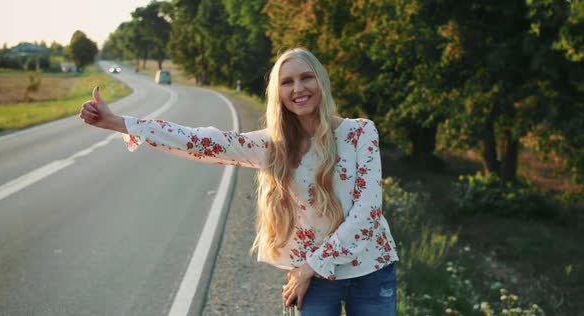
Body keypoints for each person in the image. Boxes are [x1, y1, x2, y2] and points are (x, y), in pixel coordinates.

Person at [79, 48, 399, 315]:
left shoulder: (359, 133)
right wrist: (120, 123)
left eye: (306, 77)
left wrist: (309, 266)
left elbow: (367, 214)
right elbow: (200, 142)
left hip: (370, 269)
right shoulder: (272, 145)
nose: (298, 88)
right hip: (315, 279)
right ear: (279, 94)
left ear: (321, 81)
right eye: (287, 82)